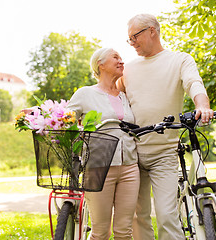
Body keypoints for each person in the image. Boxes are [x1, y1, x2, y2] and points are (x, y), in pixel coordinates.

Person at [116, 14, 214, 240]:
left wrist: (202, 105)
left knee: (167, 215)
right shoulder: (128, 69)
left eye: (134, 37)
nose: (132, 43)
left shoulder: (179, 60)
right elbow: (111, 96)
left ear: (152, 31)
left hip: (165, 151)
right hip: (132, 151)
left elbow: (193, 83)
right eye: (128, 39)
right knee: (137, 215)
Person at [67, 47, 140, 240]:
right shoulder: (85, 94)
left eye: (122, 58)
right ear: (100, 64)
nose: (121, 61)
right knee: (100, 232)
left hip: (130, 168)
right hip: (99, 167)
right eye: (116, 57)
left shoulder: (124, 96)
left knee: (124, 231)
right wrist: (39, 112)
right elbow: (63, 118)